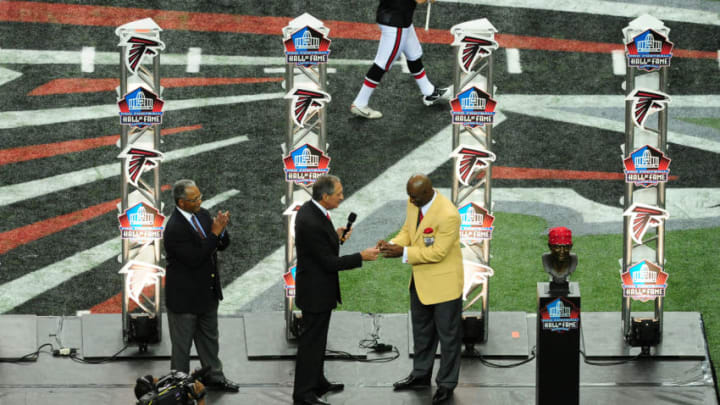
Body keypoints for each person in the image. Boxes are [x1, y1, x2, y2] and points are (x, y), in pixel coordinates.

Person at [293, 175, 380, 405]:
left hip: (317, 290)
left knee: (318, 341)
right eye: (339, 194)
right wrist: (361, 256)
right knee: (311, 344)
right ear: (325, 196)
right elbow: (328, 263)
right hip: (315, 293)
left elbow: (320, 247)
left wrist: (336, 236)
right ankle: (303, 393)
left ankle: (317, 381)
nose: (342, 197)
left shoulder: (312, 212)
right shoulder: (311, 221)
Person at [377, 174, 463, 404]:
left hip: (444, 285)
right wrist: (393, 244)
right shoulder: (414, 202)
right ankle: (421, 375)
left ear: (427, 192)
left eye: (414, 197)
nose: (411, 201)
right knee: (422, 332)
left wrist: (403, 254)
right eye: (409, 196)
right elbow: (408, 231)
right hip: (420, 281)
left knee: (448, 337)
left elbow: (438, 253)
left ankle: (446, 384)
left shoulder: (448, 215)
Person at [163, 179, 239, 393]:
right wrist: (215, 233)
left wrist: (221, 230)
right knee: (181, 349)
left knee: (210, 341)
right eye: (195, 199)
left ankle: (214, 377)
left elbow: (221, 245)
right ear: (181, 202)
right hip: (184, 299)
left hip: (207, 295)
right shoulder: (174, 229)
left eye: (199, 196)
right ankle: (180, 387)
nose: (200, 201)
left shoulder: (203, 215)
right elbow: (196, 258)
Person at [350, 0, 451, 119]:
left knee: (414, 53)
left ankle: (429, 92)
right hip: (396, 22)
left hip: (397, 17)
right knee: (382, 64)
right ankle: (360, 103)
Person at [542, 226, 578, 296]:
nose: (562, 251)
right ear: (550, 246)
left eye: (566, 247)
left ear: (571, 247)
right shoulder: (545, 259)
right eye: (557, 247)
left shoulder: (573, 259)